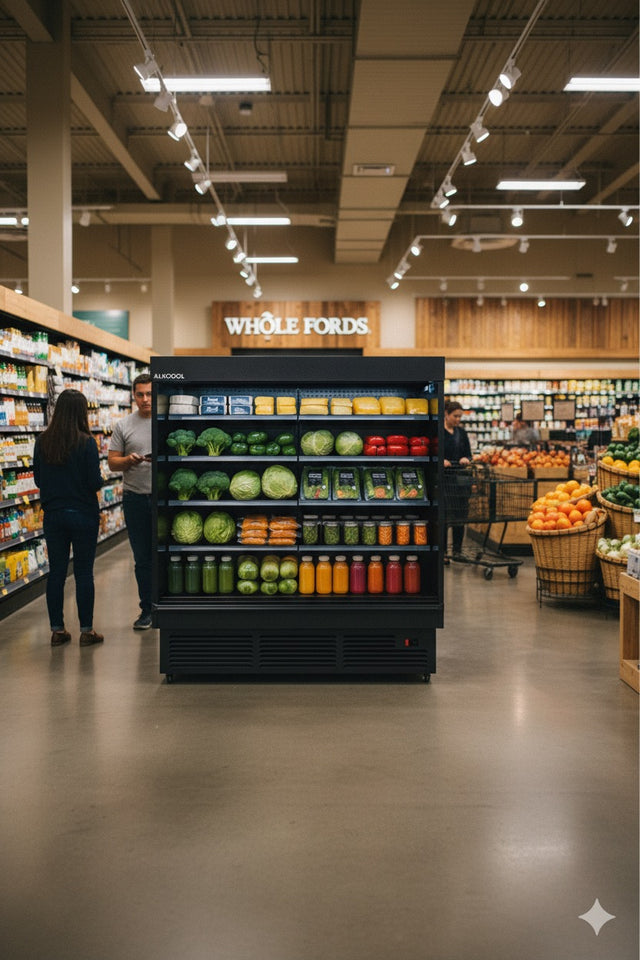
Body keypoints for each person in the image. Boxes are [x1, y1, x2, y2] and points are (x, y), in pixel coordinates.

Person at [33, 389, 104, 646]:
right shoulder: (86, 443)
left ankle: (57, 630)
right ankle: (86, 631)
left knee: (57, 573)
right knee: (84, 572)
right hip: (84, 514)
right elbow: (94, 482)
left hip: (54, 515)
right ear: (81, 413)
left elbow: (38, 479)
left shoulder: (43, 442)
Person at [108, 373, 153, 630]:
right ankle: (146, 609)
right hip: (135, 498)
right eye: (140, 394)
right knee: (142, 558)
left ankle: (164, 604)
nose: (145, 399)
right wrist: (129, 460)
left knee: (164, 553)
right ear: (133, 396)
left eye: (149, 394)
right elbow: (113, 462)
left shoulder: (165, 420)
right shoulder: (123, 425)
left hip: (163, 500)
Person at [443, 399, 473, 557]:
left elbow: (468, 453)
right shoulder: (439, 432)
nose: (458, 419)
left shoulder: (462, 433)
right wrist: (441, 460)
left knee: (460, 515)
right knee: (444, 518)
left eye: (460, 416)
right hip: (444, 480)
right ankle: (443, 553)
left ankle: (457, 550)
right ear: (446, 414)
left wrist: (466, 459)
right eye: (455, 416)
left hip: (460, 481)